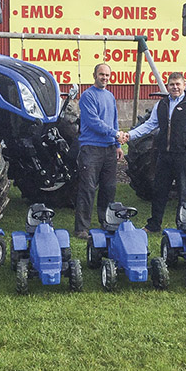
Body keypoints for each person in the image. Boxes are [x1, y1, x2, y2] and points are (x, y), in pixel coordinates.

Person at [128, 71, 186, 233]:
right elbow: (149, 125)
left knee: (184, 193)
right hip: (164, 155)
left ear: (184, 86)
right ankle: (154, 225)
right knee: (159, 191)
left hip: (184, 155)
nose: (175, 87)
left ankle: (183, 226)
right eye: (172, 84)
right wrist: (129, 135)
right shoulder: (161, 105)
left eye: (178, 84)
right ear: (168, 86)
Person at [74, 63, 125, 239]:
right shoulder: (87, 96)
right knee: (87, 188)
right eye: (101, 74)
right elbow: (94, 122)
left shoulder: (110, 96)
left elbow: (114, 120)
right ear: (94, 75)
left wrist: (117, 145)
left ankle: (106, 221)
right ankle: (82, 228)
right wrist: (116, 134)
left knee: (109, 188)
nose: (105, 78)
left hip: (109, 149)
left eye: (107, 75)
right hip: (91, 149)